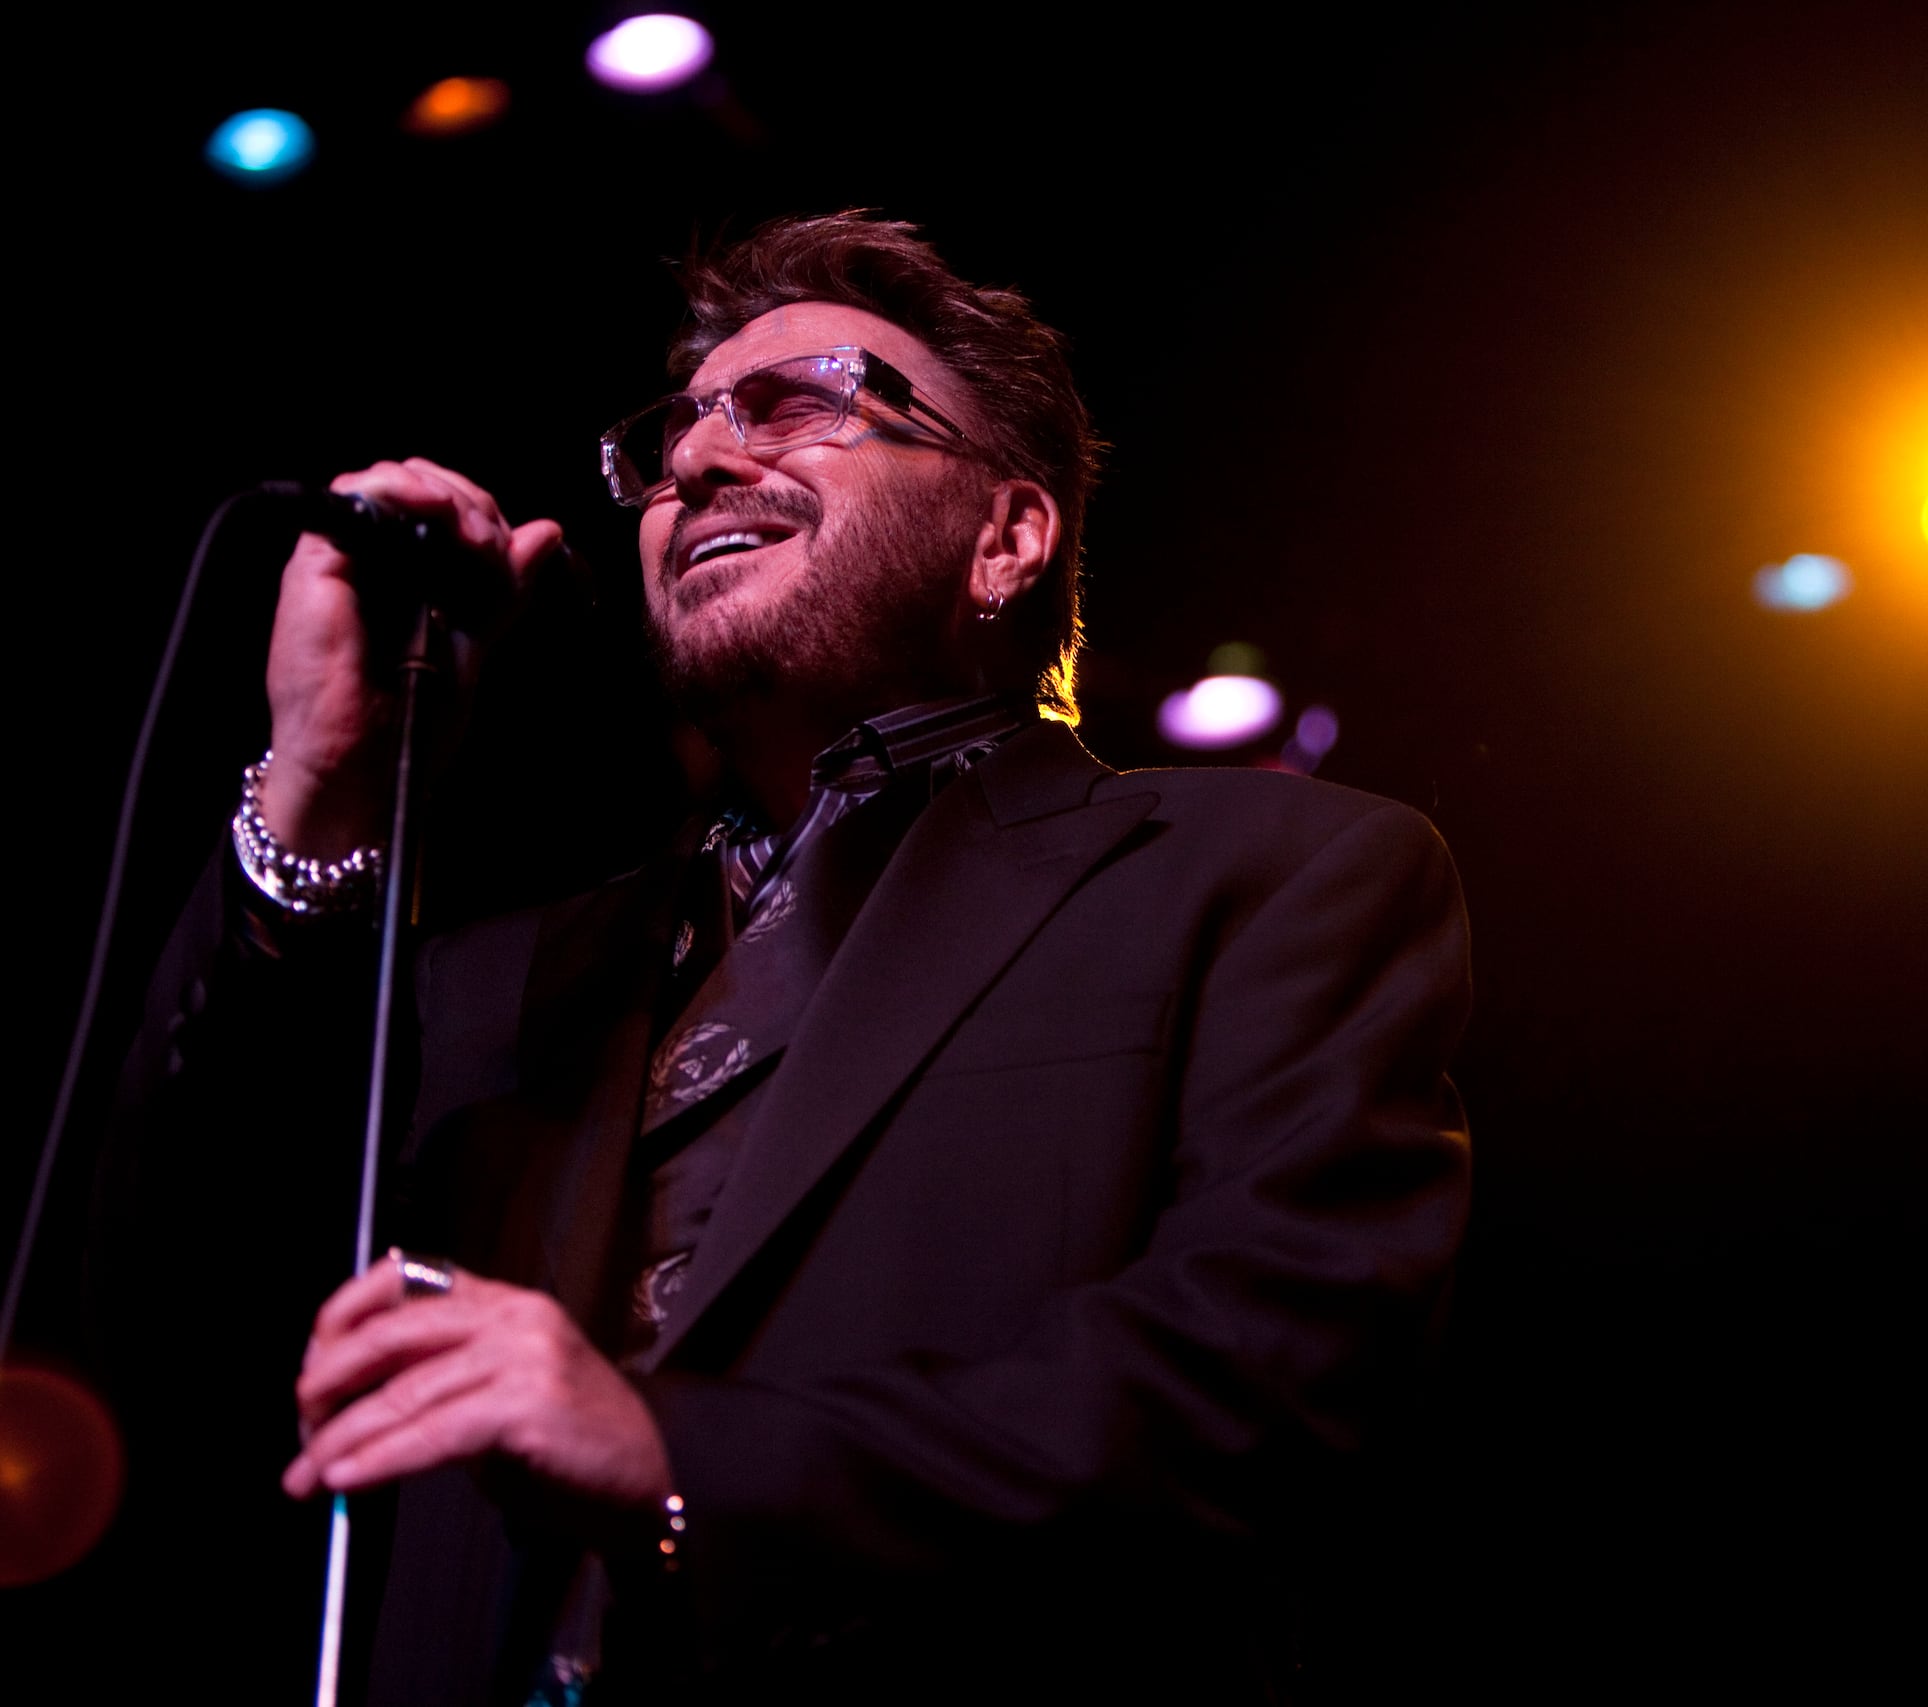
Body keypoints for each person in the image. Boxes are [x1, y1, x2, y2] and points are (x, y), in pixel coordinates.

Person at [97, 210, 1470, 1702]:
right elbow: (170, 1288)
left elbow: (1266, 1383)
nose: (697, 459)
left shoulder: (1264, 877)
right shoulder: (511, 977)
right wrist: (326, 785)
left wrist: (681, 1459)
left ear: (1009, 535)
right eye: (676, 432)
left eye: (801, 399)